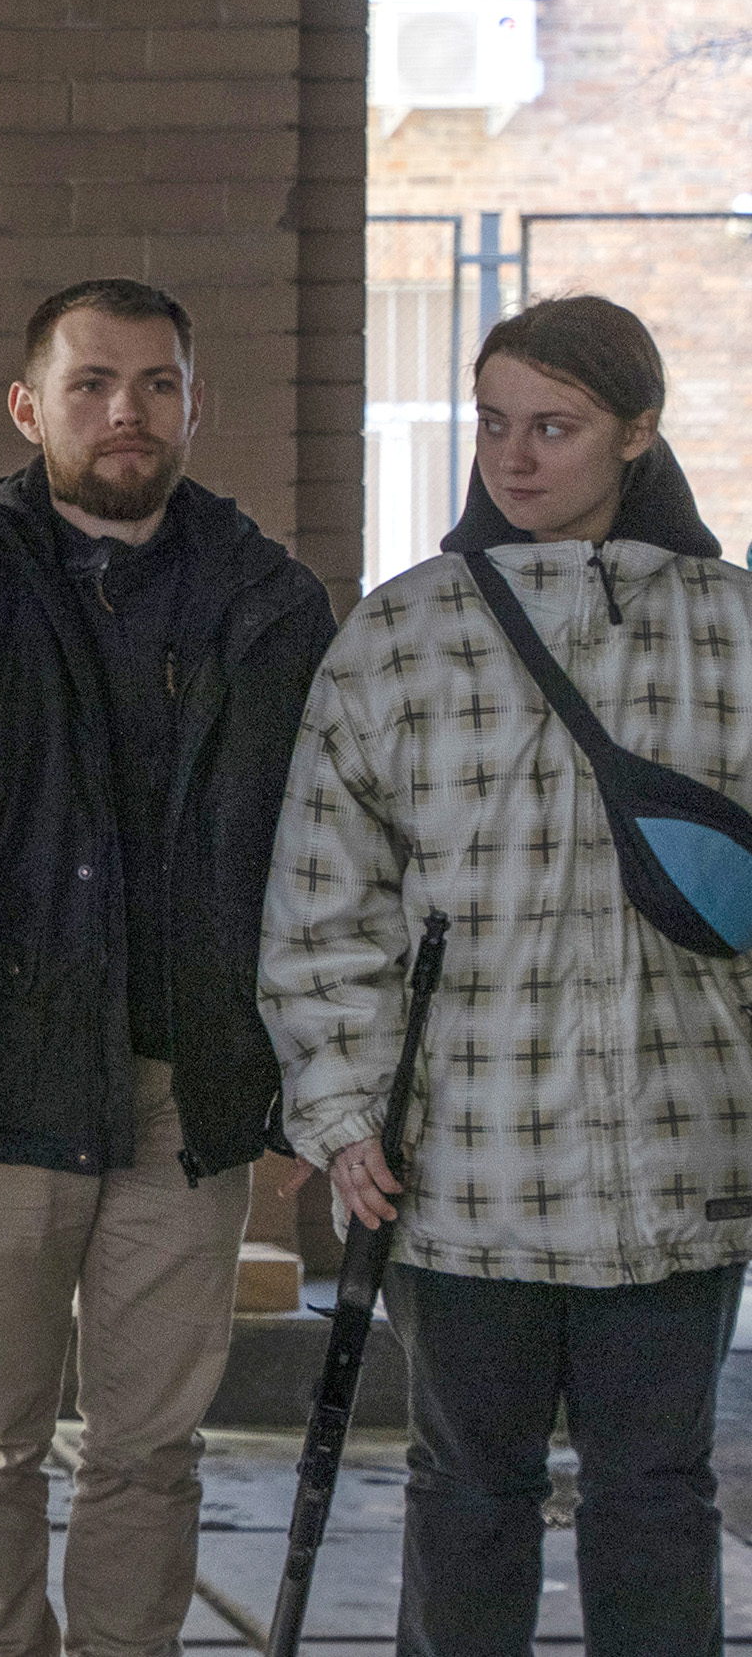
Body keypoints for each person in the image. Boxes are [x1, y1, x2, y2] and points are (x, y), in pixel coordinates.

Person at [0, 278, 333, 1657]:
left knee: (149, 1447)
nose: (129, 411)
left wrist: (304, 1097)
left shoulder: (271, 605)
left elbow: (320, 866)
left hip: (188, 1100)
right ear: (26, 406)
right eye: (93, 383)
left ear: (195, 403)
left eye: (159, 384)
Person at [266, 294, 752, 1657]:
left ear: (639, 433)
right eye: (494, 424)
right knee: (468, 1493)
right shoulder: (396, 637)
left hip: (684, 1152)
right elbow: (324, 897)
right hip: (461, 1159)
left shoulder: (734, 634)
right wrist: (344, 1104)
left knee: (656, 1495)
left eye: (557, 425)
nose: (515, 457)